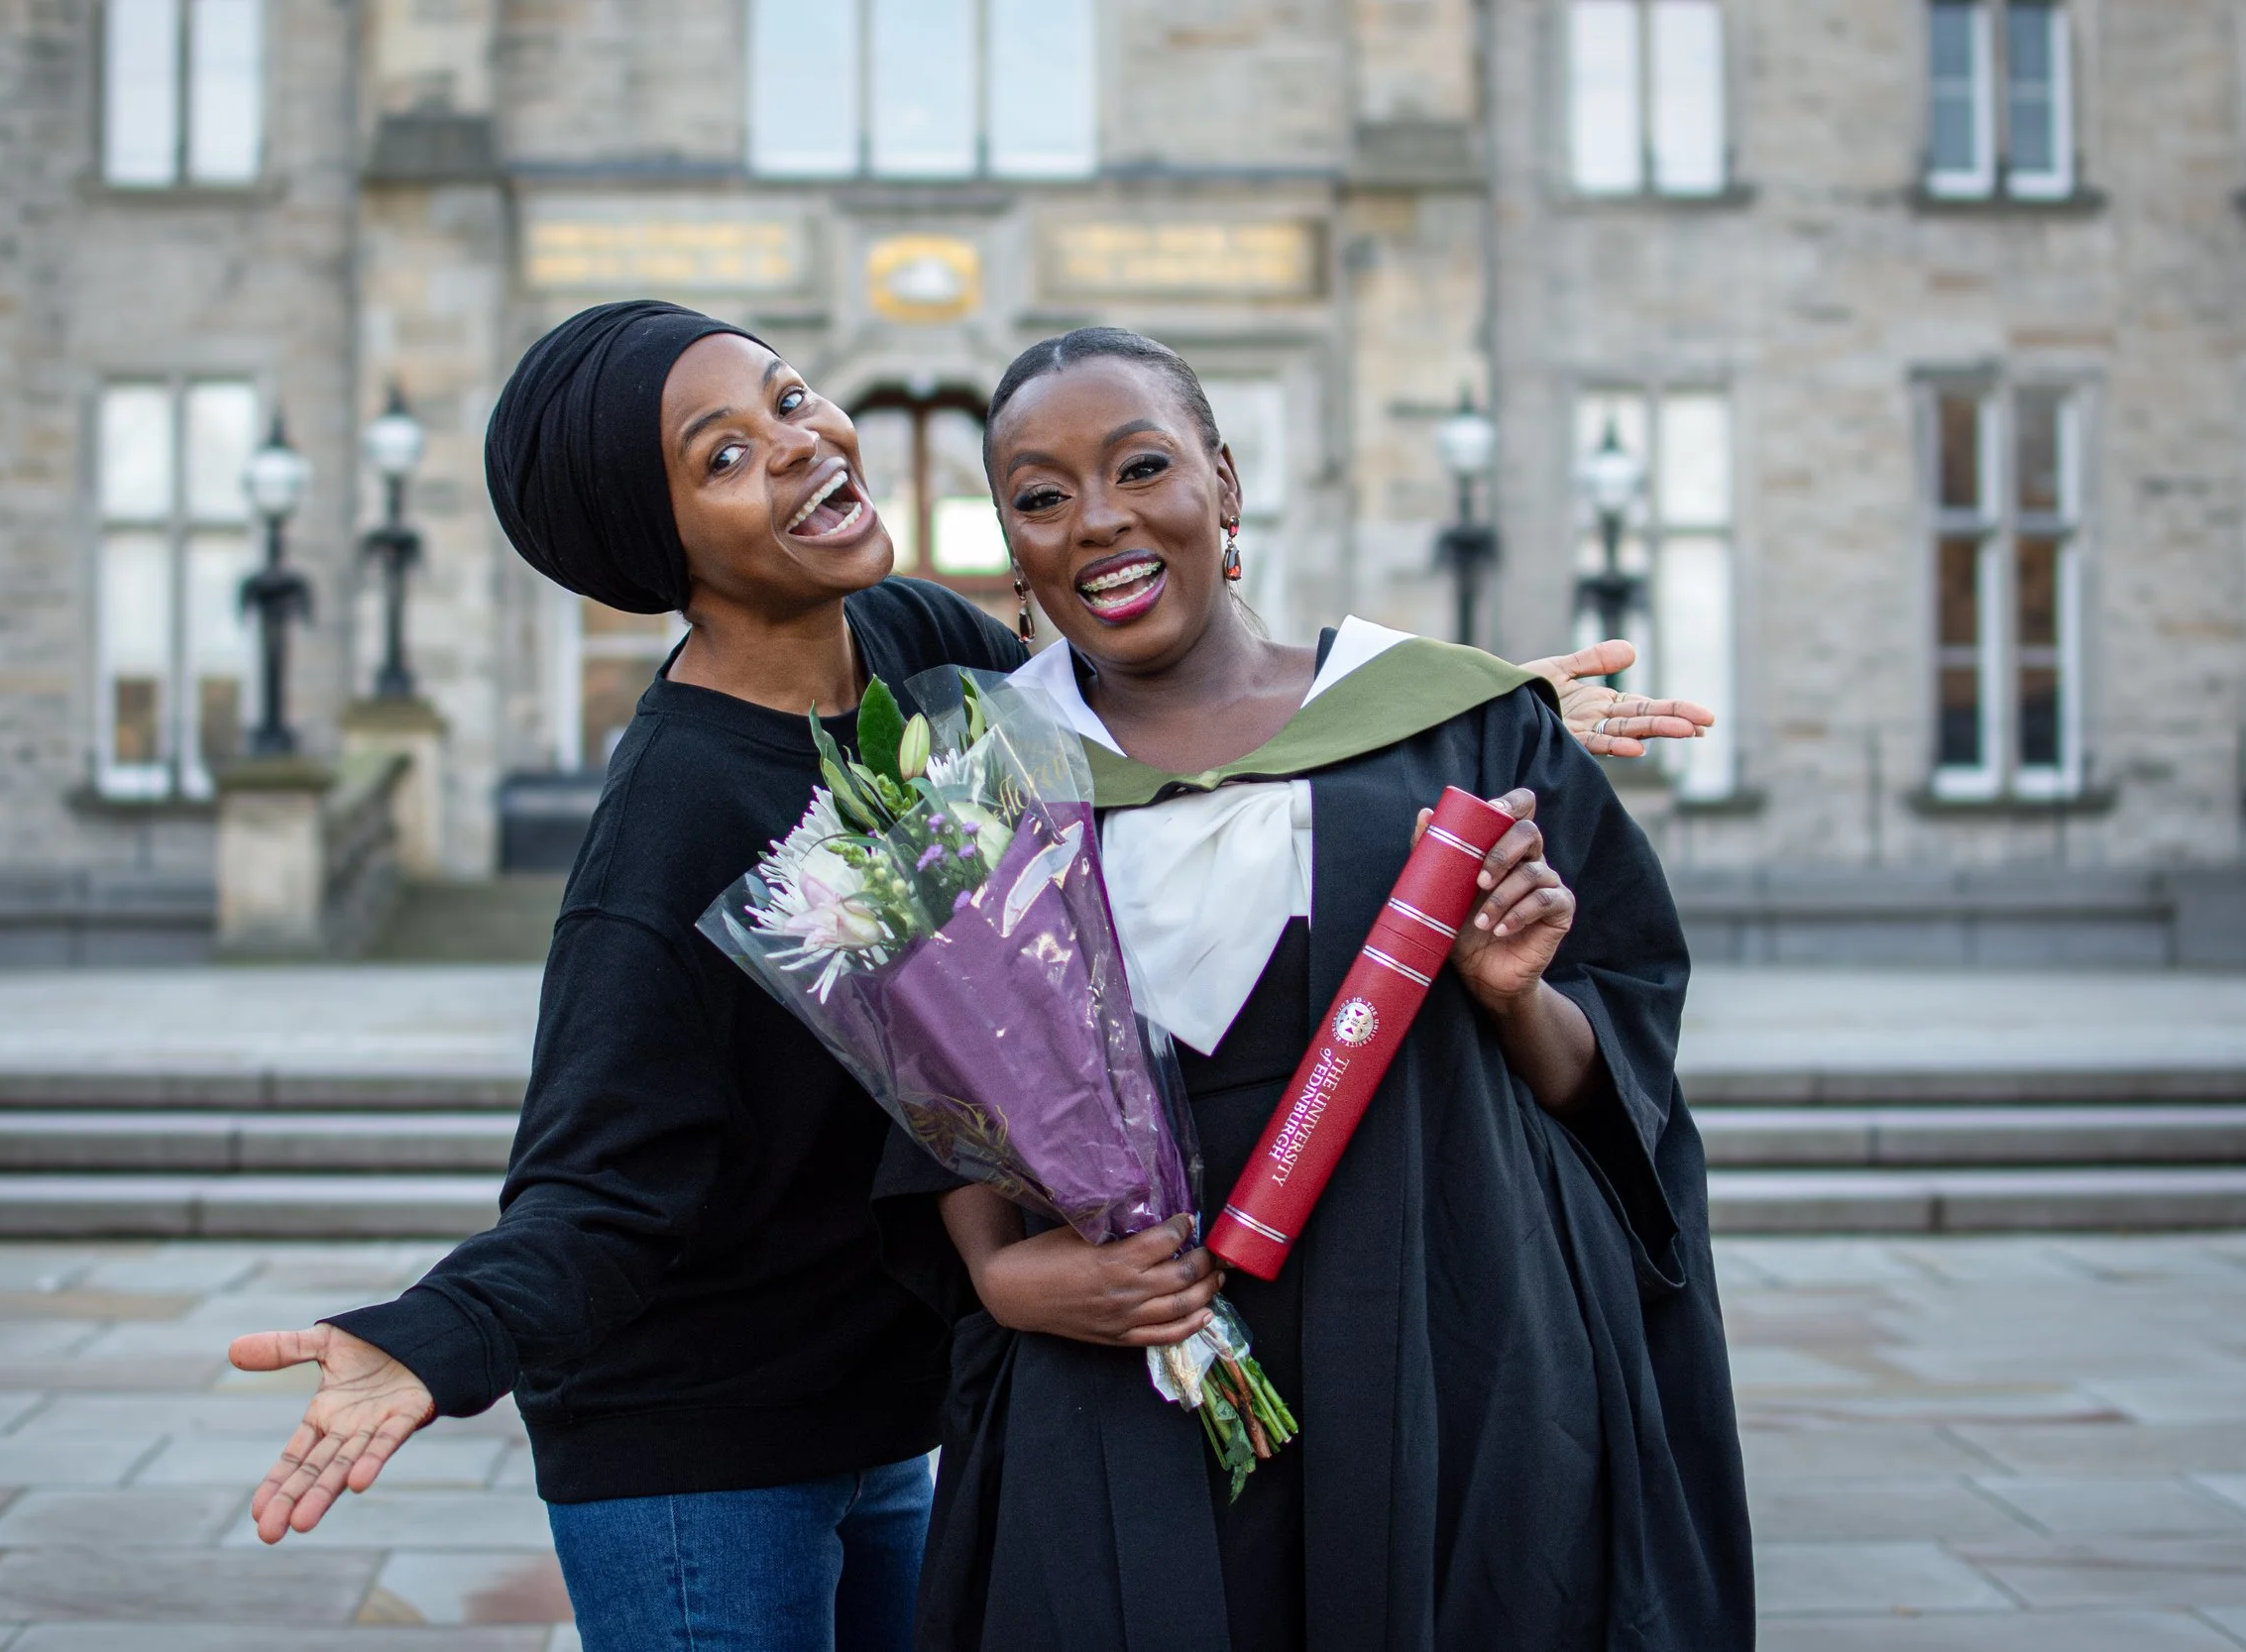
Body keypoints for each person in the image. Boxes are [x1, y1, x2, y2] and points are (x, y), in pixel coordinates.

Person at [220, 301, 1717, 1652]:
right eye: (727, 454)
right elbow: (598, 1184)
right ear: (654, 544)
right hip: (702, 1429)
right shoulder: (672, 825)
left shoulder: (917, 659)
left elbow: (1199, 711)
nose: (804, 443)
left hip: (891, 1400)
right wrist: (435, 1339)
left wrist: (1464, 713)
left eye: (792, 394)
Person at [891, 328, 1751, 1651]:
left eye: (1141, 466)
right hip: (1115, 1366)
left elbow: (1615, 1072)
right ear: (1010, 539)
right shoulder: (970, 773)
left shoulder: (1458, 726)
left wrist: (1514, 994)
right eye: (1041, 495)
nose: (1099, 520)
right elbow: (936, 1084)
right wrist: (1002, 1278)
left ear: (1223, 488)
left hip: (1433, 1344)